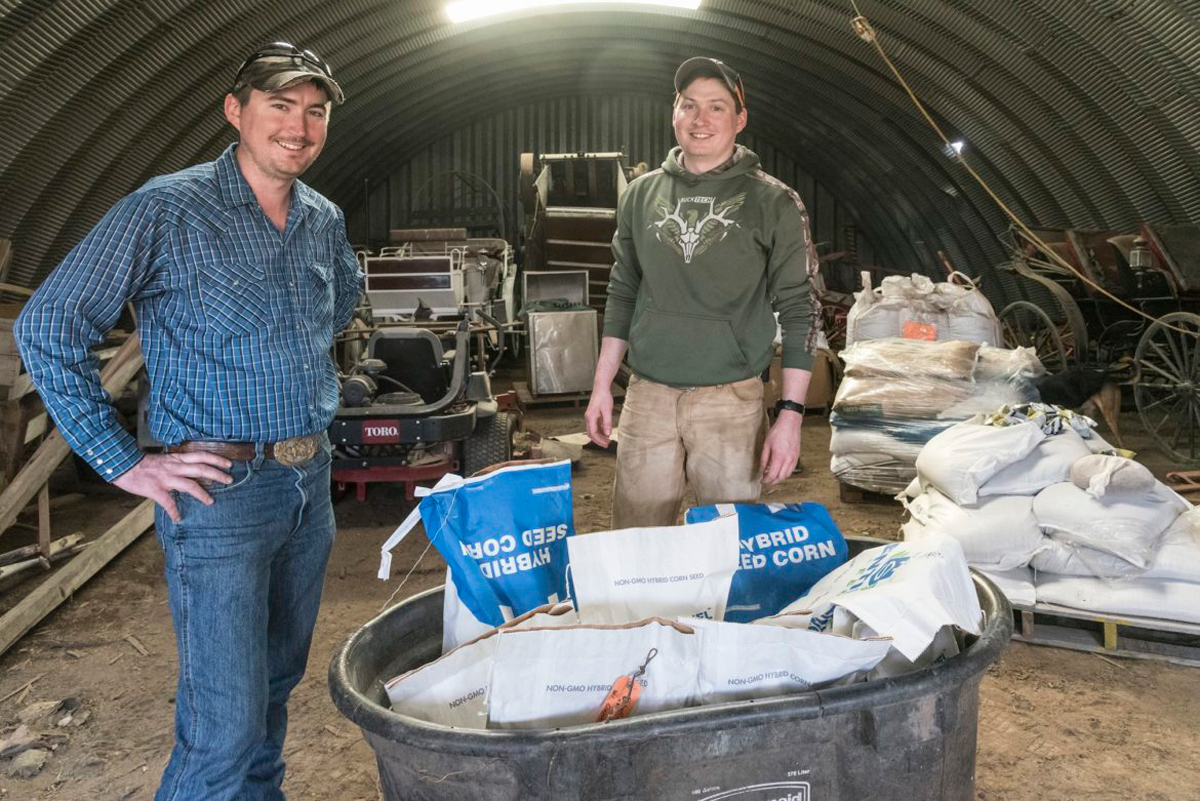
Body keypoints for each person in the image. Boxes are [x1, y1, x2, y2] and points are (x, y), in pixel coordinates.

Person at [15, 42, 362, 800]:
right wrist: (123, 461)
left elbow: (338, 307)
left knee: (274, 689)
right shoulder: (164, 209)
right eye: (280, 105)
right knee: (224, 723)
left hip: (308, 485)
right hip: (221, 494)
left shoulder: (322, 220)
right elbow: (47, 325)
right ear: (235, 112)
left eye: (315, 111)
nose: (299, 127)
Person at [585, 56, 820, 529]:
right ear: (674, 113)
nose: (700, 119)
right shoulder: (640, 194)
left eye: (716, 107)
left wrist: (790, 415)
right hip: (647, 394)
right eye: (689, 105)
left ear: (740, 119)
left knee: (728, 543)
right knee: (636, 539)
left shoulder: (774, 200)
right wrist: (601, 387)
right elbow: (623, 289)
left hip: (729, 399)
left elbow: (800, 308)